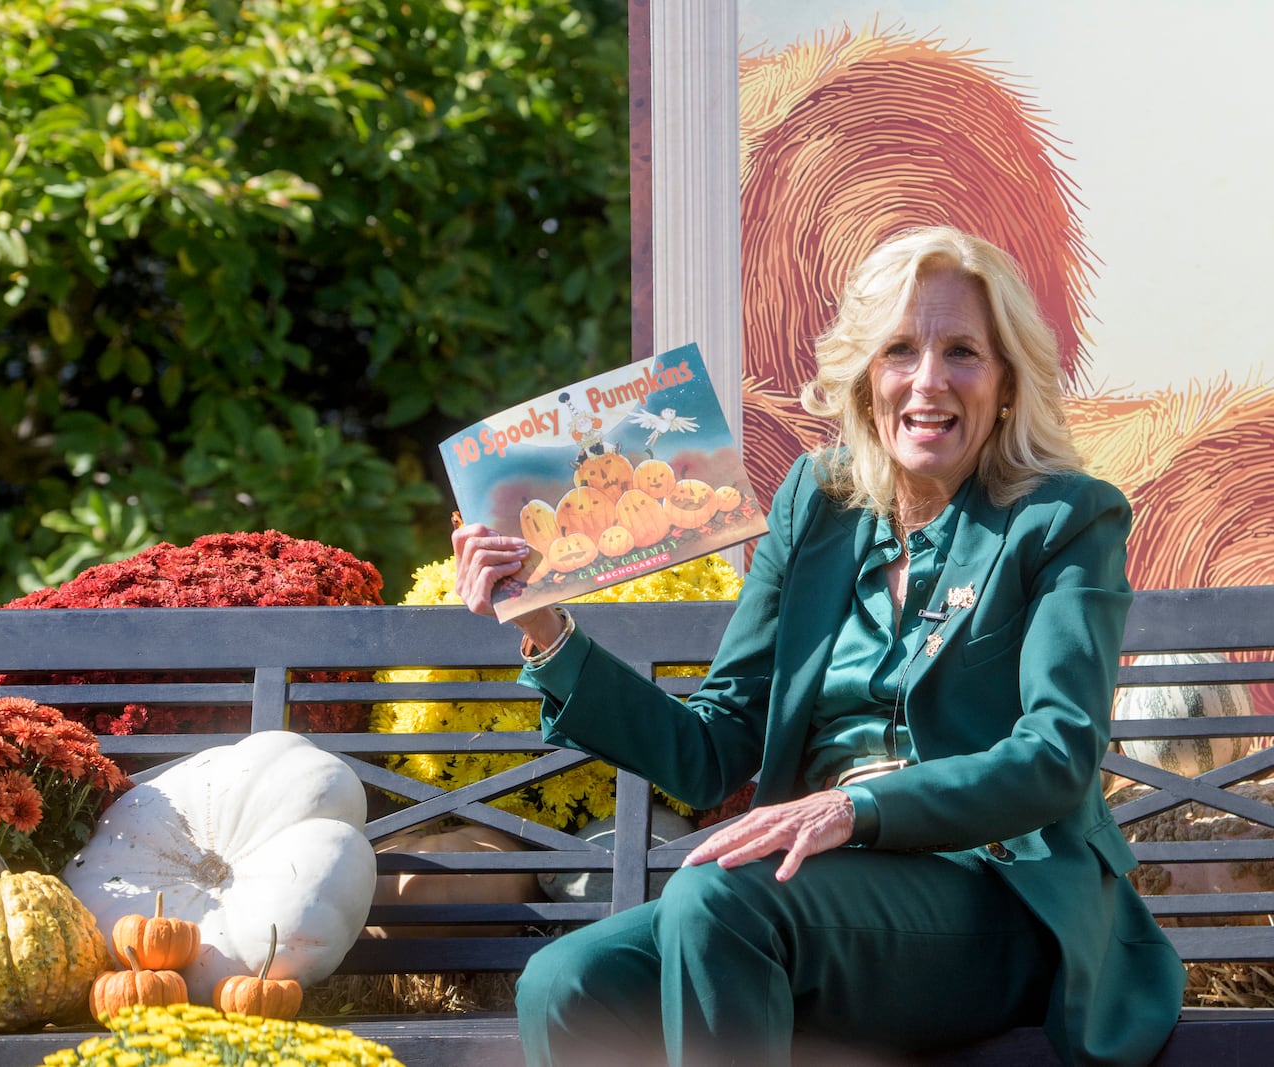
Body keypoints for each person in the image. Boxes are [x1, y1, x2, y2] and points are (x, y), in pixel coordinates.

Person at [453, 226, 1186, 1066]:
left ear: (1008, 382)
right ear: (864, 375)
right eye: (900, 349)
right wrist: (542, 628)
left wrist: (852, 807)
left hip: (998, 895)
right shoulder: (817, 501)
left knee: (719, 899)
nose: (928, 380)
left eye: (963, 353)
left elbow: (1056, 755)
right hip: (815, 899)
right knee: (567, 982)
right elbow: (710, 749)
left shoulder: (1064, 517)